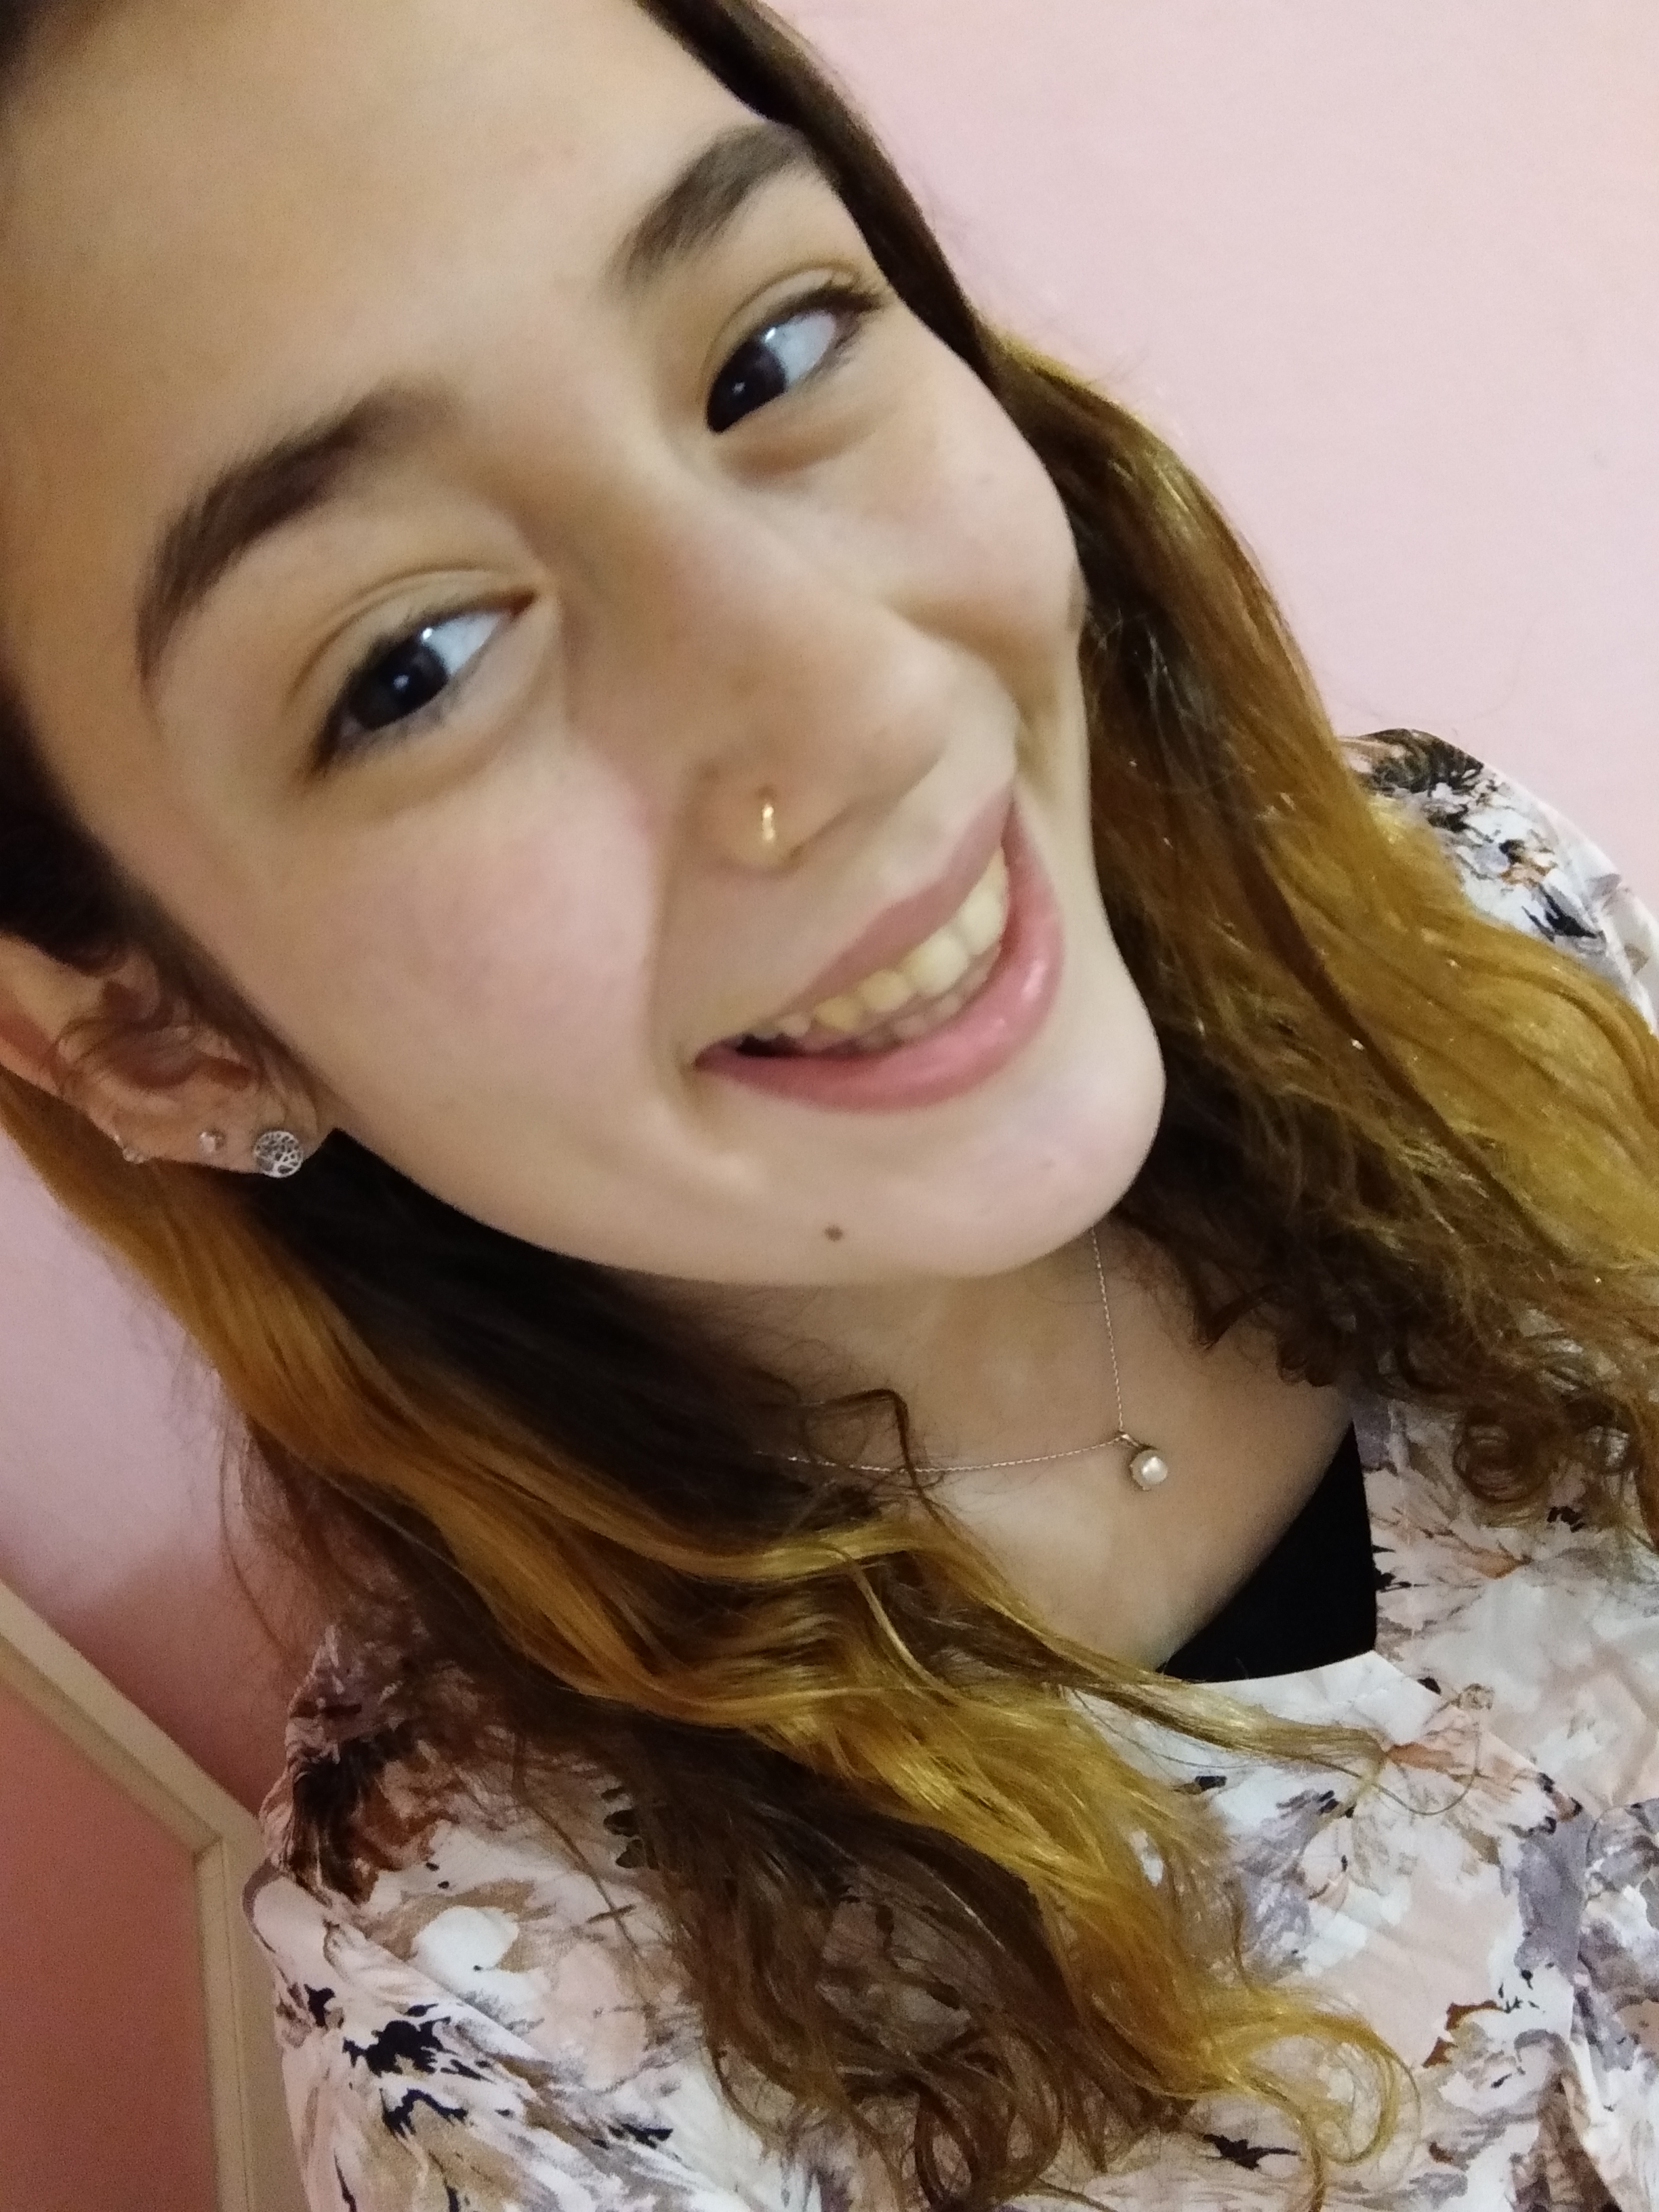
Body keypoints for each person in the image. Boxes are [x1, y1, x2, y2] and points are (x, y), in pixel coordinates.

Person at [0, 0, 1652, 2205]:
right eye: (414, 665)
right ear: (163, 1036)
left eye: (766, 356)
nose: (861, 699)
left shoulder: (1476, 910)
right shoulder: (516, 2050)